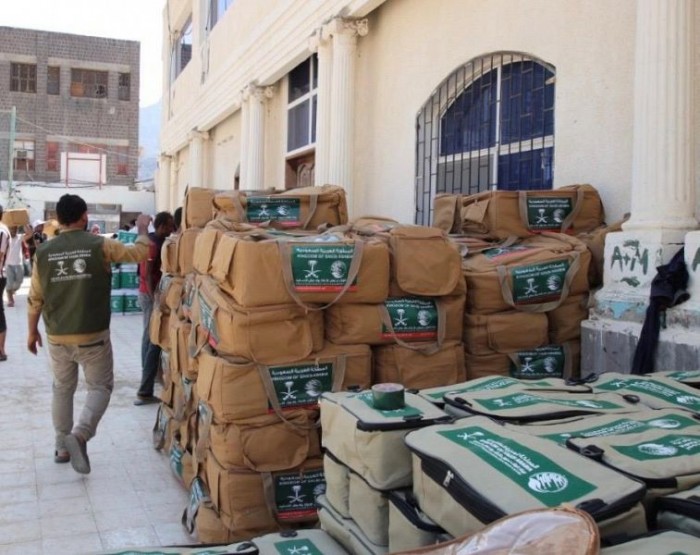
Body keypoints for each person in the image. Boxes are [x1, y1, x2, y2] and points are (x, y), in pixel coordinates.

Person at [27, 194, 151, 474]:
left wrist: (31, 332)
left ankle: (61, 446)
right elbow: (139, 254)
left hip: (57, 336)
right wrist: (143, 230)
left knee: (62, 388)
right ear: (84, 216)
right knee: (100, 387)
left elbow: (35, 297)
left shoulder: (43, 252)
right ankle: (80, 435)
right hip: (92, 336)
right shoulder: (100, 245)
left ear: (58, 219)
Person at [135, 211, 175, 405]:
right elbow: (148, 274)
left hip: (152, 295)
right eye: (169, 225)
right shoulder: (153, 244)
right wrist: (155, 299)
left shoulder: (159, 241)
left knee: (150, 337)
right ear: (161, 226)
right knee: (153, 338)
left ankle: (148, 377)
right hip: (149, 295)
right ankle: (146, 384)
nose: (171, 229)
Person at [5, 226, 25, 307]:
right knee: (9, 282)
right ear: (9, 229)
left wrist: (25, 223)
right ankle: (10, 299)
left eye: (16, 228)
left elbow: (30, 234)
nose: (15, 230)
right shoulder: (5, 238)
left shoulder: (20, 237)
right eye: (12, 228)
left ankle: (12, 291)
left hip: (19, 263)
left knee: (19, 281)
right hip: (8, 264)